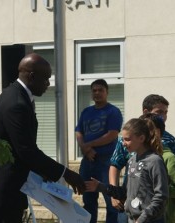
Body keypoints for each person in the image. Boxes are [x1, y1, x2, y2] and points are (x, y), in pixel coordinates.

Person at [0, 53, 85, 223]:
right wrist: (66, 173)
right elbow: (26, 150)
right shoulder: (16, 102)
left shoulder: (19, 96)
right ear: (32, 77)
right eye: (46, 79)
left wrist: (44, 171)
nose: (48, 84)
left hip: (8, 186)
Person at [109, 93, 175, 222]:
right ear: (146, 112)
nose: (163, 116)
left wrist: (163, 187)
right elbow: (115, 164)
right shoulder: (128, 139)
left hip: (153, 211)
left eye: (165, 112)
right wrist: (113, 194)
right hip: (129, 202)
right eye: (159, 112)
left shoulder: (170, 143)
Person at [85, 118, 169, 223]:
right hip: (132, 219)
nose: (123, 143)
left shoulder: (154, 161)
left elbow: (161, 197)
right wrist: (100, 186)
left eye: (127, 139)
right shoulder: (131, 161)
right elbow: (125, 192)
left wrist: (143, 219)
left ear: (141, 138)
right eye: (123, 139)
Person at [75, 79, 123, 223]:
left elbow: (112, 134)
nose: (97, 93)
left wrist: (88, 145)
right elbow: (79, 132)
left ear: (107, 92)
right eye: (94, 90)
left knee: (111, 200)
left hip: (106, 162)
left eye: (100, 90)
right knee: (88, 200)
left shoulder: (113, 111)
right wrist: (85, 148)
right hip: (88, 161)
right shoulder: (86, 111)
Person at [140, 113, 175, 223]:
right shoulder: (136, 159)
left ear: (156, 132)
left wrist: (158, 189)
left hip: (164, 217)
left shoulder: (169, 158)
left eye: (142, 131)